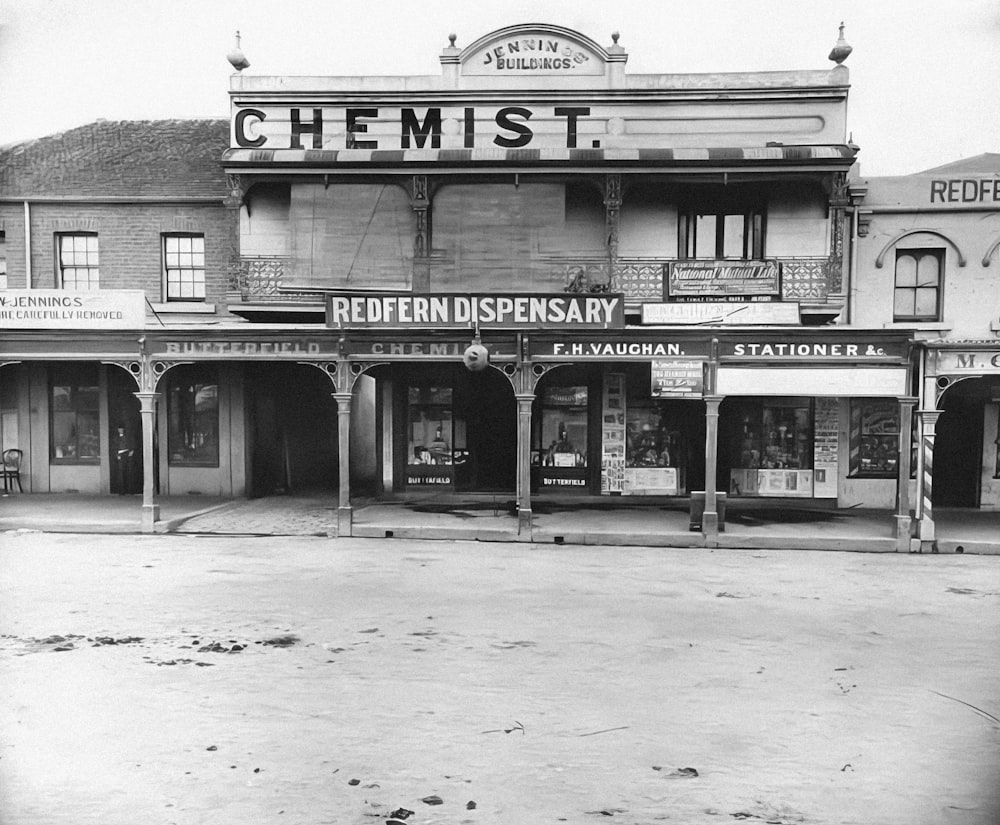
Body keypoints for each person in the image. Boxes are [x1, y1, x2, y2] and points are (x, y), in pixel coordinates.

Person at [112, 425, 138, 494]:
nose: (120, 430)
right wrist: (117, 455)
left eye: (121, 429)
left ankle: (131, 490)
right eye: (119, 429)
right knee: (121, 473)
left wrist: (131, 451)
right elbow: (114, 447)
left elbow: (132, 444)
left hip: (127, 454)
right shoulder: (116, 438)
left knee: (130, 472)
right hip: (120, 455)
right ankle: (121, 491)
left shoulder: (128, 437)